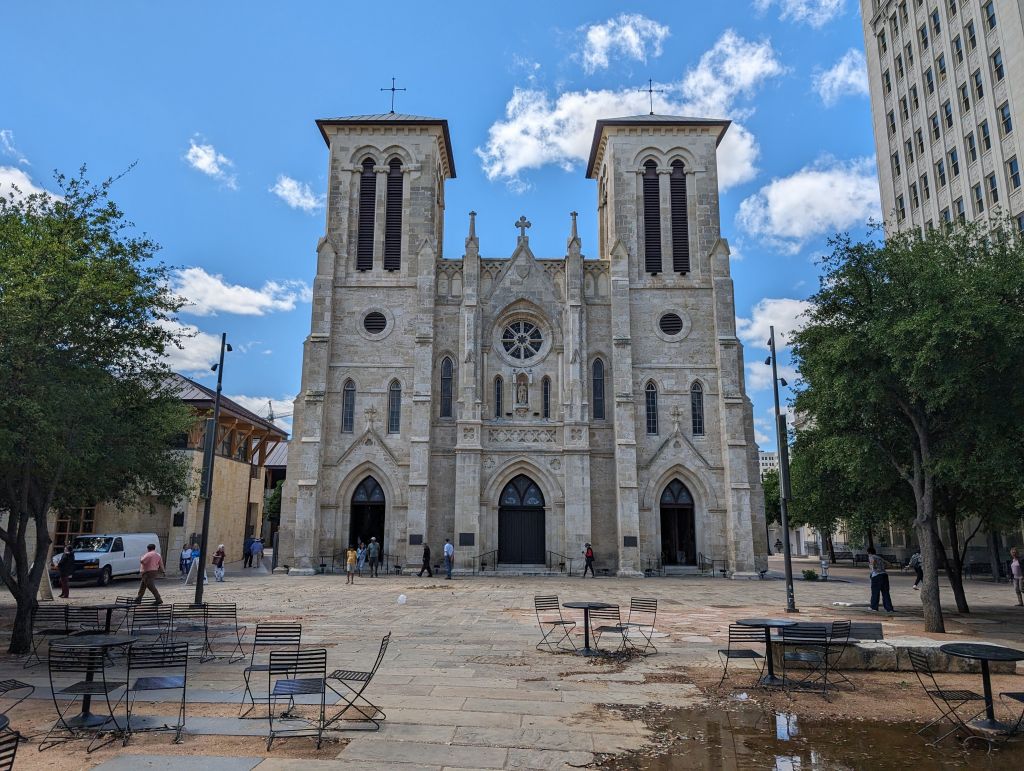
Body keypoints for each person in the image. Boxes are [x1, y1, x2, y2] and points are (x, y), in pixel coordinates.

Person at [867, 547, 893, 612]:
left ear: (869, 552)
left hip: (876, 575)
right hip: (884, 575)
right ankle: (889, 608)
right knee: (886, 593)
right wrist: (883, 568)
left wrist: (873, 567)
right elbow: (889, 564)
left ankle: (874, 607)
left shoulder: (871, 556)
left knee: (875, 592)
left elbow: (873, 562)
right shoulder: (879, 557)